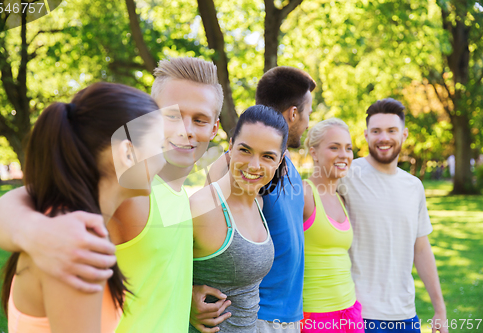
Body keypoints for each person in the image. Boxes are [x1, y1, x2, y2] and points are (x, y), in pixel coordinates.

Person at [0, 57, 223, 333]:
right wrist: (35, 231)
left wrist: (186, 298)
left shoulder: (177, 194)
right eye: (171, 115)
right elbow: (7, 207)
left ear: (214, 128)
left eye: (200, 119)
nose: (186, 130)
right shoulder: (127, 192)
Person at [0, 82, 165, 333]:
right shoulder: (74, 246)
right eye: (159, 146)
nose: (163, 161)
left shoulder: (66, 222)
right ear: (128, 154)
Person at [191, 66, 316, 333]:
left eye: (269, 155)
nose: (307, 123)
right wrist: (187, 294)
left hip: (288, 315)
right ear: (295, 113)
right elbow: (201, 239)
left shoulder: (285, 165)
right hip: (256, 315)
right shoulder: (230, 165)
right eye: (308, 114)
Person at [339, 98, 447, 333]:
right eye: (376, 131)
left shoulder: (414, 186)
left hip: (406, 316)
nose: (384, 138)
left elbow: (421, 248)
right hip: (358, 314)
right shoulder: (346, 176)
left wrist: (440, 309)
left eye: (391, 130)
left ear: (404, 134)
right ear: (366, 135)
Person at [190, 105, 291, 332]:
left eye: (267, 156)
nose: (254, 165)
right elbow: (151, 272)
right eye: (245, 150)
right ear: (231, 145)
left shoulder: (259, 203)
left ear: (280, 160)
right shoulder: (202, 208)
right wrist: (186, 299)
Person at [301, 118, 364, 333]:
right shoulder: (303, 194)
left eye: (348, 148)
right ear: (314, 153)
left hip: (350, 311)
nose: (344, 155)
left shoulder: (341, 198)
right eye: (334, 147)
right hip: (315, 316)